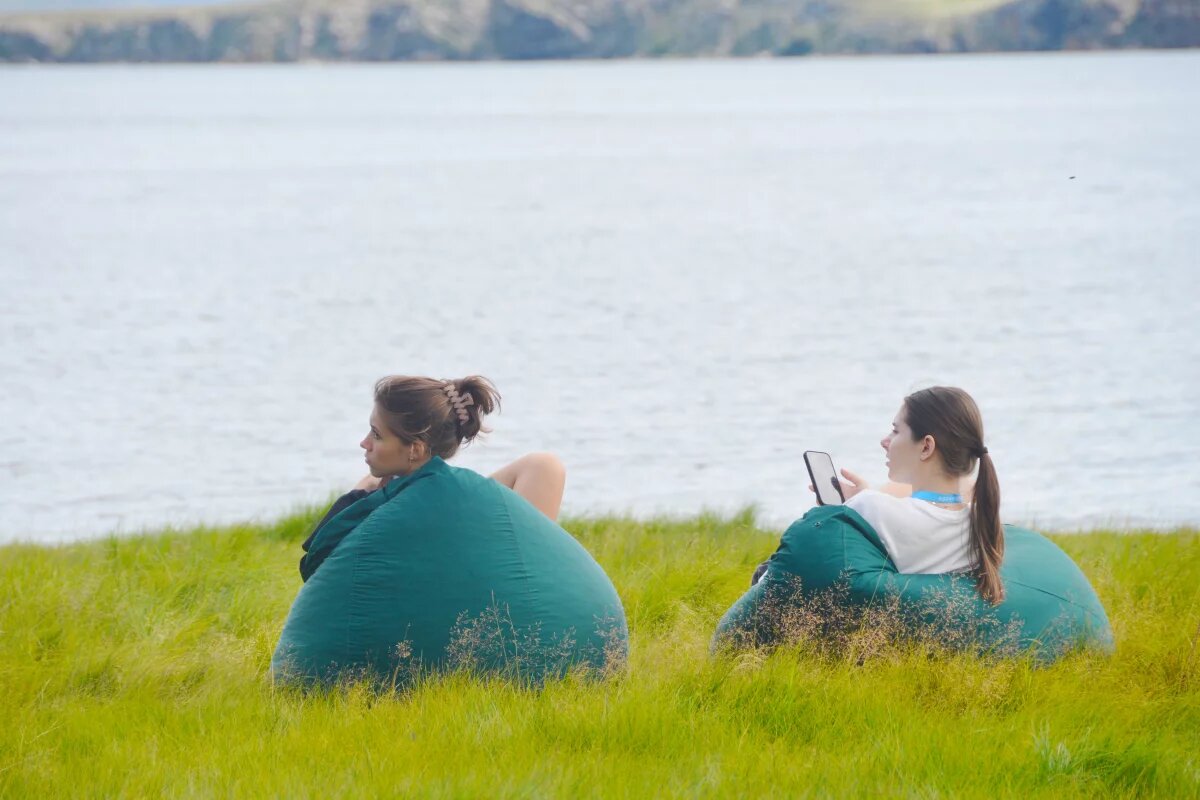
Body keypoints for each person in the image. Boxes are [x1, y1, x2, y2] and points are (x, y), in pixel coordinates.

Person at [757, 386, 1004, 604]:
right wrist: (865, 497)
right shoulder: (978, 520)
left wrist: (842, 509)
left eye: (896, 432)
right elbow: (921, 513)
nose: (884, 441)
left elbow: (772, 581)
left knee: (763, 570)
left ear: (926, 446)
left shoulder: (871, 507)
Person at [300, 374, 566, 575]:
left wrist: (367, 488)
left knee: (544, 465)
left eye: (377, 435)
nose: (364, 443)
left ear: (415, 449)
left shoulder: (440, 504)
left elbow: (315, 566)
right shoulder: (463, 503)